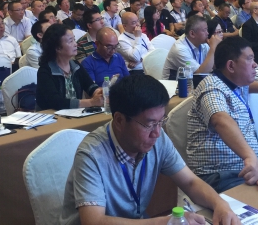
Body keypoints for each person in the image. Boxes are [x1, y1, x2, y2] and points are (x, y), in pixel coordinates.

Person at [59, 73, 239, 225]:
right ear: (120, 120)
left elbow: (190, 182)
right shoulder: (91, 154)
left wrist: (220, 204)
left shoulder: (157, 139)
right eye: (150, 124)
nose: (157, 133)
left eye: (161, 122)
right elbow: (94, 221)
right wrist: (167, 221)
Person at [187, 37, 258, 193]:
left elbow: (251, 84)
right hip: (221, 175)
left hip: (249, 167)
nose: (255, 64)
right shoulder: (211, 88)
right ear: (231, 66)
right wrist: (249, 156)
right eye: (249, 59)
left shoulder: (235, 82)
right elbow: (220, 120)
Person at [36, 24, 102, 110]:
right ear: (57, 48)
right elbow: (55, 102)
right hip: (51, 115)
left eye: (74, 39)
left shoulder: (76, 65)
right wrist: (91, 102)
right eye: (70, 41)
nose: (75, 44)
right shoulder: (45, 71)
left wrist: (100, 93)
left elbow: (90, 86)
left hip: (75, 114)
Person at [162, 15, 221, 79]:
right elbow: (200, 73)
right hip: (173, 84)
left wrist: (217, 48)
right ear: (192, 34)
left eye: (207, 29)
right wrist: (213, 48)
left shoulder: (204, 44)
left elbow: (216, 66)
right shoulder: (179, 49)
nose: (208, 33)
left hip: (193, 82)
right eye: (204, 30)